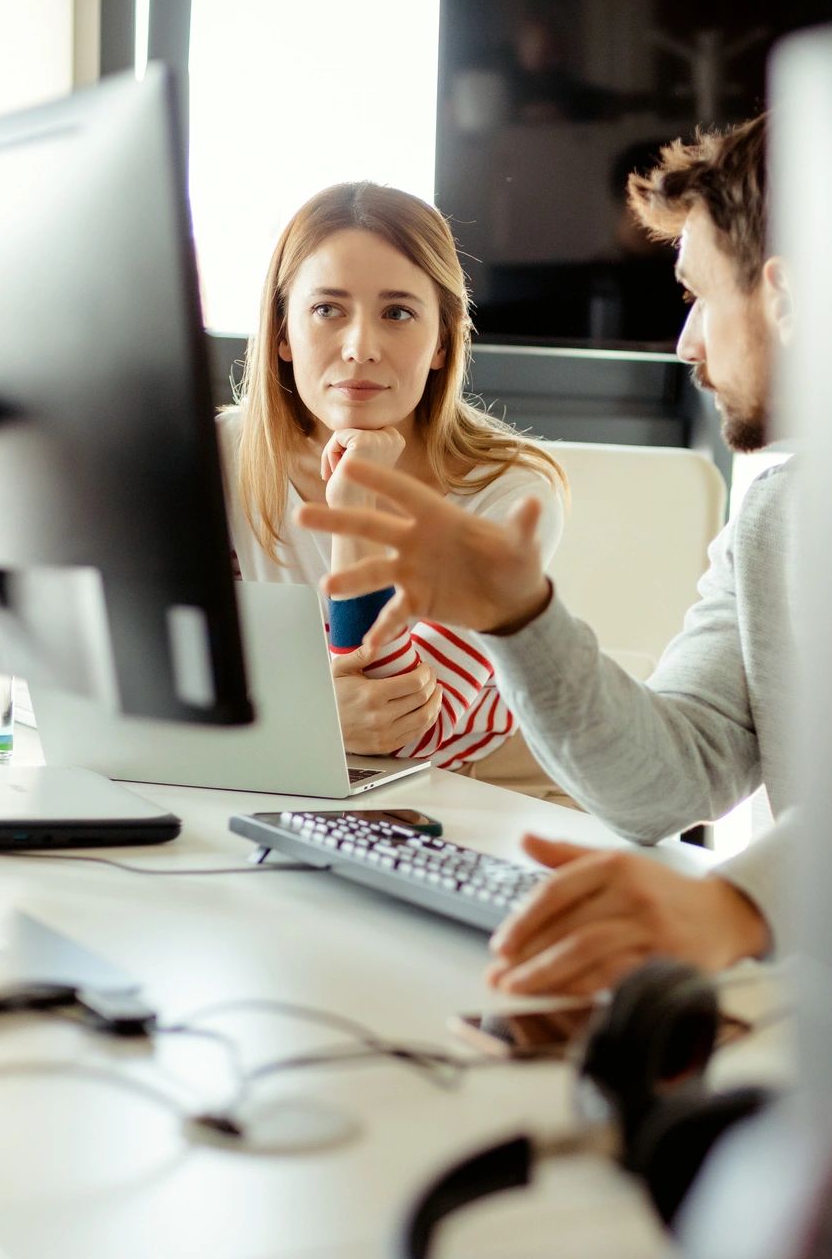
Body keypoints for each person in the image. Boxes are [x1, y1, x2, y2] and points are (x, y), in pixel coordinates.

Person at [299, 113, 797, 997]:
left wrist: (737, 906)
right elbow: (667, 782)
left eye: (697, 297)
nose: (685, 345)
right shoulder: (775, 518)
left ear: (785, 298)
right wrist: (520, 617)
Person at [221, 182, 572, 798]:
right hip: (291, 775)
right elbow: (156, 670)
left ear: (442, 341)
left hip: (489, 787)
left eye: (398, 313)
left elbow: (398, 732)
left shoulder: (512, 493)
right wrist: (309, 712)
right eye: (328, 309)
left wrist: (356, 501)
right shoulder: (216, 456)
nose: (361, 348)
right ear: (281, 334)